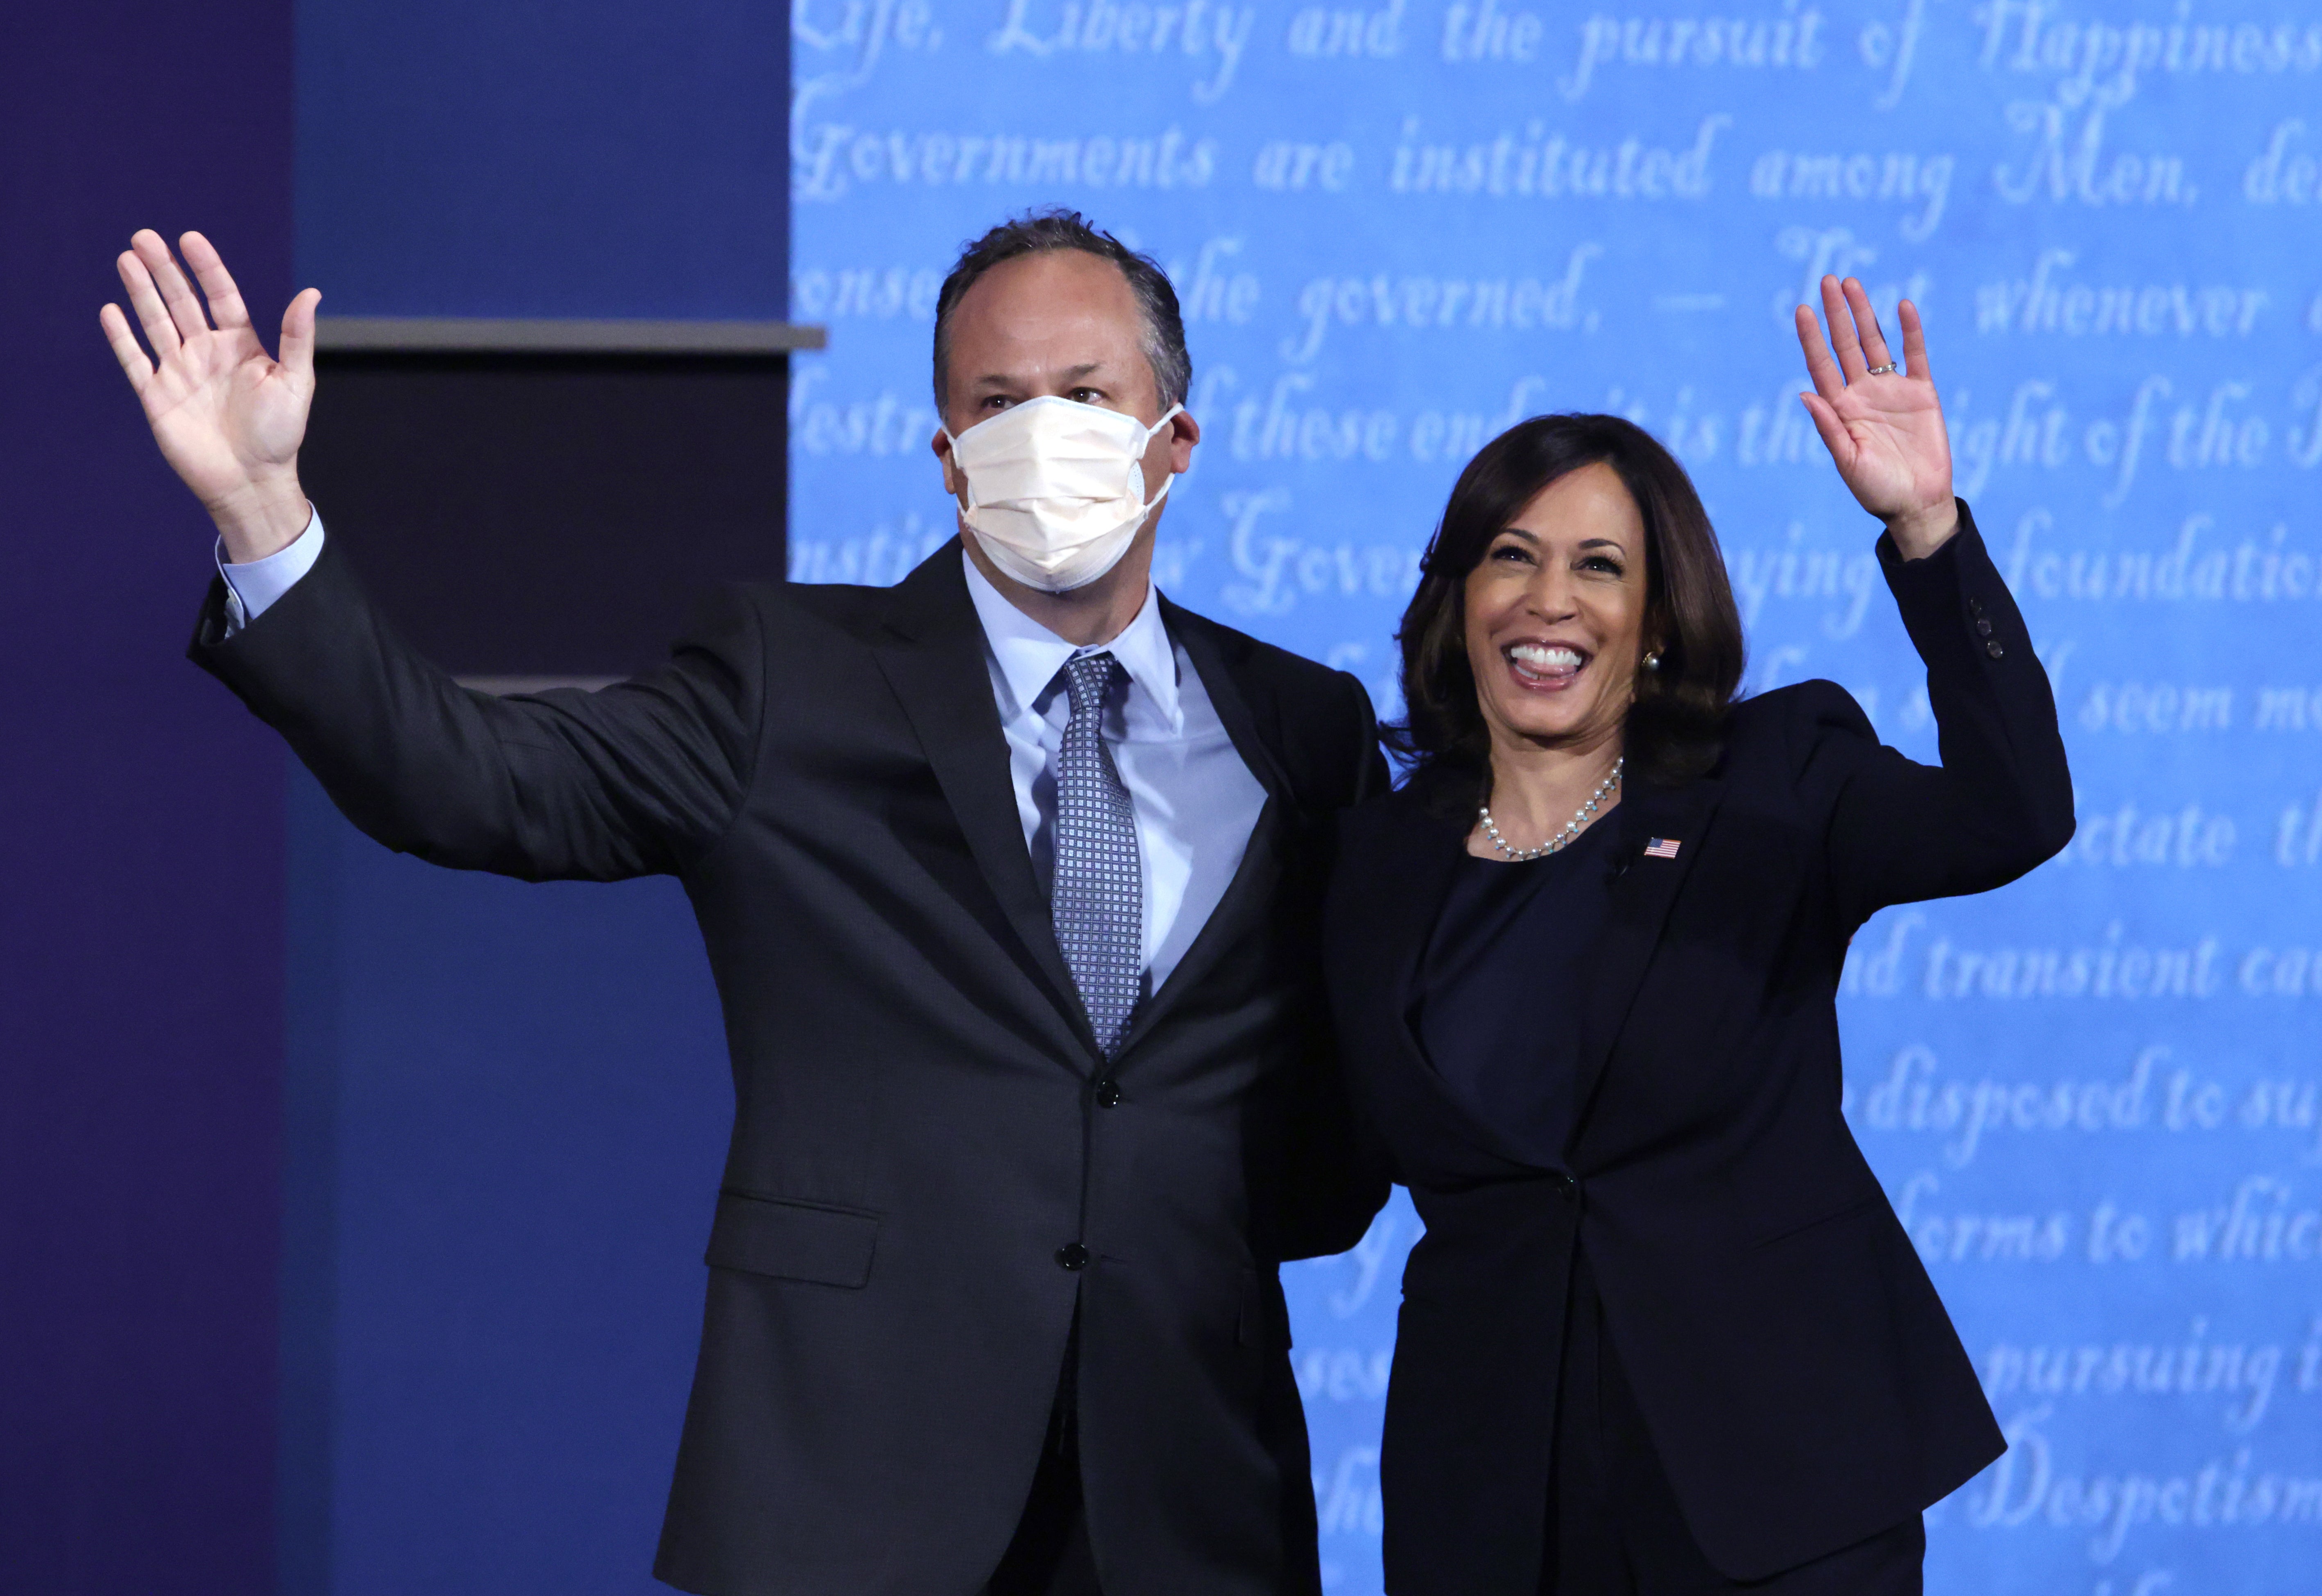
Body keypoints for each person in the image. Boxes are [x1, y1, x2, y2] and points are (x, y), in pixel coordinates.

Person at [99, 210, 1390, 1596]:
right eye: (996, 404)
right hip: (856, 1494)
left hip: (1193, 1501)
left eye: (1085, 398)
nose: (1042, 435)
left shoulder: (1299, 728)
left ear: (1173, 440)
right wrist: (260, 512)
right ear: (948, 458)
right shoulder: (791, 678)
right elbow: (467, 780)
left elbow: (1338, 1111)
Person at [1320, 279, 2073, 1594]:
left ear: (1658, 620)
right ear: (1454, 597)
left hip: (1776, 1477)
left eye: (1598, 565)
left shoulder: (1772, 778)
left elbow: (2013, 816)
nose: (1547, 600)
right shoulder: (1375, 853)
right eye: (1509, 554)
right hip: (1492, 1491)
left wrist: (1928, 534)